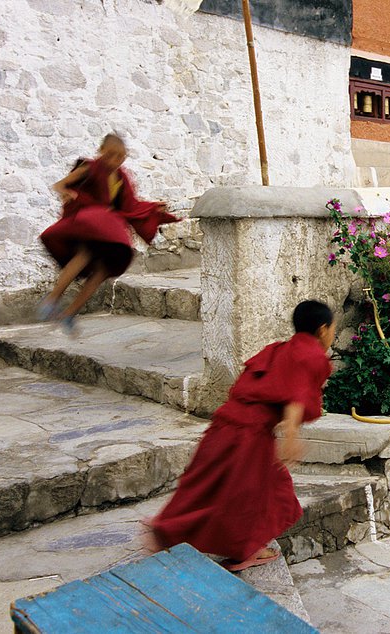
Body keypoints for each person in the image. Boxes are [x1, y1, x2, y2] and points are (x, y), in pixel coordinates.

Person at [147, 300, 336, 569]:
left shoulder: (279, 349)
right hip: (250, 434)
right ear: (322, 329)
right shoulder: (312, 355)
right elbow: (296, 394)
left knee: (203, 484)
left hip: (224, 423)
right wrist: (292, 436)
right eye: (332, 330)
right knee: (251, 496)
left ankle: (165, 530)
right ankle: (242, 549)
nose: (332, 336)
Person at [38, 133, 178, 334]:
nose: (115, 161)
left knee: (103, 271)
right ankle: (52, 299)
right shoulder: (90, 168)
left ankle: (69, 313)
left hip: (105, 229)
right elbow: (60, 185)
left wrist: (153, 208)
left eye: (121, 157)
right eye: (111, 155)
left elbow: (131, 205)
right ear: (101, 152)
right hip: (87, 224)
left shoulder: (121, 178)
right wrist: (69, 193)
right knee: (84, 255)